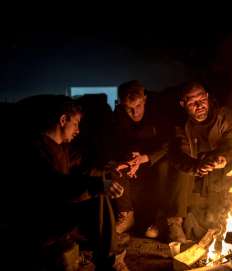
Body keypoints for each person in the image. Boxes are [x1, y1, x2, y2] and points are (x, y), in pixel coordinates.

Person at [8, 95, 128, 270]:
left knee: (99, 184)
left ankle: (107, 251)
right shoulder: (34, 150)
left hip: (59, 209)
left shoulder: (60, 147)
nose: (78, 130)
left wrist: (108, 170)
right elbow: (57, 186)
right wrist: (98, 186)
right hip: (42, 218)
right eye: (76, 123)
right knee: (97, 195)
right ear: (63, 120)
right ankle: (108, 261)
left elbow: (79, 170)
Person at [169, 82, 232, 242]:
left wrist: (223, 158)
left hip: (219, 172)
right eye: (192, 102)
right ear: (183, 104)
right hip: (193, 176)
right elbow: (178, 155)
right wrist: (196, 167)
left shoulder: (223, 116)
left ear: (208, 97)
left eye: (202, 99)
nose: (199, 105)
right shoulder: (180, 125)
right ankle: (174, 221)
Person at [112, 80, 170, 239]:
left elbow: (169, 143)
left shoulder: (159, 111)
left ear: (144, 99)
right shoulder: (118, 117)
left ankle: (161, 218)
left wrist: (146, 157)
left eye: (138, 106)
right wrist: (130, 159)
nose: (135, 113)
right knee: (117, 166)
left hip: (156, 157)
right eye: (129, 109)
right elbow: (117, 143)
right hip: (135, 159)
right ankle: (127, 215)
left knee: (165, 167)